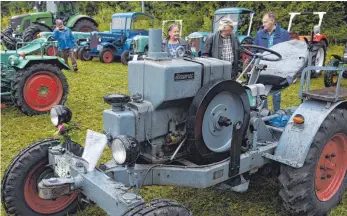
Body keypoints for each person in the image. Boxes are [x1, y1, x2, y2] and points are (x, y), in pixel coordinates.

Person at [254, 12, 290, 112]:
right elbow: (254, 51)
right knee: (262, 91)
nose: (263, 24)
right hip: (263, 67)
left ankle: (277, 113)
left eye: (265, 22)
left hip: (277, 67)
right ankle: (264, 112)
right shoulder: (259, 34)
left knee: (276, 91)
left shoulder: (284, 34)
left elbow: (288, 51)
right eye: (263, 22)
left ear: (272, 21)